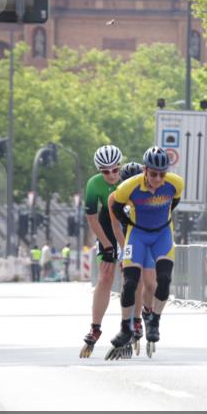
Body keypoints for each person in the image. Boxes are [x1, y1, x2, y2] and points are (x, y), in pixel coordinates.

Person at [105, 147, 183, 357]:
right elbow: (116, 211)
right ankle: (125, 328)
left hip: (162, 234)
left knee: (164, 279)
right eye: (154, 173)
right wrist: (129, 225)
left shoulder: (175, 183)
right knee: (130, 282)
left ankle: (154, 321)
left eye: (162, 174)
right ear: (145, 170)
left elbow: (174, 202)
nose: (158, 178)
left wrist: (159, 218)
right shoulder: (127, 188)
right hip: (137, 235)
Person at [79, 144, 124, 357]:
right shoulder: (93, 184)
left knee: (133, 276)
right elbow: (91, 218)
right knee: (105, 277)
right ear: (99, 171)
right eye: (105, 171)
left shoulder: (129, 179)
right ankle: (95, 328)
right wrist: (106, 244)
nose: (111, 175)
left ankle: (135, 322)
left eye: (115, 170)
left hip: (129, 227)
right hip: (106, 227)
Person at [116, 161, 157, 349]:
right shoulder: (120, 199)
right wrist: (123, 250)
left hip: (148, 243)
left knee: (150, 284)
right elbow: (116, 227)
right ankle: (133, 321)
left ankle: (147, 313)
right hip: (128, 244)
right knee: (132, 283)